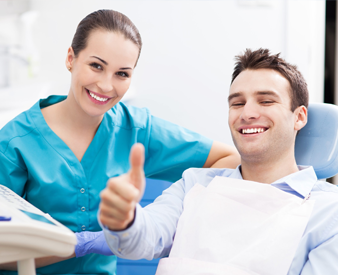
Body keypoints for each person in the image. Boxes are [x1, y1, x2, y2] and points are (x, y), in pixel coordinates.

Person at [0, 9, 240, 275]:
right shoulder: (15, 142)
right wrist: (79, 245)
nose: (105, 85)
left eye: (122, 74)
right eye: (96, 66)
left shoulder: (137, 129)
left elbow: (228, 161)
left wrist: (161, 216)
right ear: (71, 58)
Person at [99, 48, 338, 275]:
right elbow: (143, 238)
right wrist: (125, 220)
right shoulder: (194, 184)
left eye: (266, 101)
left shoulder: (334, 213)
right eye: (237, 103)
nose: (247, 113)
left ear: (299, 117)